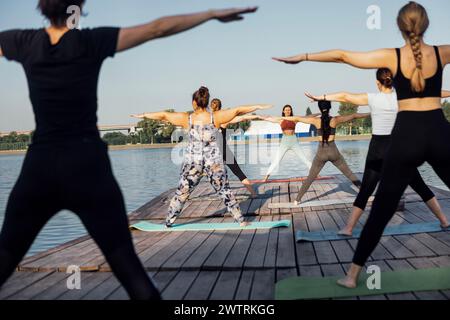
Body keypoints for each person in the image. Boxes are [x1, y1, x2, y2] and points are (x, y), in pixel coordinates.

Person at [0, 0, 258, 299]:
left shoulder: (22, 41)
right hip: (88, 167)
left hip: (40, 167)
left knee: (5, 257)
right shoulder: (91, 40)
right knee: (129, 269)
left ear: (41, 6)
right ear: (80, 5)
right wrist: (210, 14)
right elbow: (156, 28)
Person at [274, 1, 450, 288]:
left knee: (381, 210)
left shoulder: (391, 57)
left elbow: (343, 56)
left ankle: (353, 276)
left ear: (400, 27)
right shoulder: (443, 52)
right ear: (426, 25)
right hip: (440, 132)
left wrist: (303, 56)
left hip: (405, 137)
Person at [306, 69, 449, 236]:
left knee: (366, 189)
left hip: (378, 148)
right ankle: (444, 221)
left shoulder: (372, 98)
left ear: (377, 82)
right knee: (420, 186)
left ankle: (349, 228)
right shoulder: (404, 96)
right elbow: (433, 93)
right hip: (400, 146)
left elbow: (345, 96)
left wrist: (320, 97)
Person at [131, 86, 272, 227]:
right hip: (214, 161)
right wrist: (257, 106)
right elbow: (238, 110)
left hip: (193, 162)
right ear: (206, 101)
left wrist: (143, 115)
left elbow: (163, 115)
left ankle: (168, 222)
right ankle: (241, 221)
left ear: (194, 102)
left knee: (182, 193)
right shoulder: (215, 117)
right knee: (224, 190)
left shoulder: (187, 118)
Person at [273, 102, 365, 203]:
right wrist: (371, 113)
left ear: (320, 109)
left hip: (321, 153)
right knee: (349, 174)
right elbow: (354, 115)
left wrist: (284, 118)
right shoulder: (335, 119)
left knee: (310, 178)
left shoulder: (315, 120)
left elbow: (297, 118)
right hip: (334, 152)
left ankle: (297, 200)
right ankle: (365, 194)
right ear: (330, 108)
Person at [210, 98, 264, 197]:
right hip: (225, 151)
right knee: (238, 172)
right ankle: (253, 193)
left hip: (213, 153)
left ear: (210, 107)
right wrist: (256, 115)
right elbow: (241, 118)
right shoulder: (224, 119)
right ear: (220, 106)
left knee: (200, 172)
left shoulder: (207, 120)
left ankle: (185, 194)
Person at [262, 105, 316, 182]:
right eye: (286, 110)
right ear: (283, 111)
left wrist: (318, 114)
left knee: (304, 158)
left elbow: (307, 117)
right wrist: (260, 117)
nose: (287, 111)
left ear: (291, 111)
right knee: (276, 160)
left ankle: (315, 173)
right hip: (284, 141)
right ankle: (266, 177)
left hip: (294, 141)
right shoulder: (280, 120)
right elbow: (268, 118)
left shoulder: (295, 119)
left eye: (289, 110)